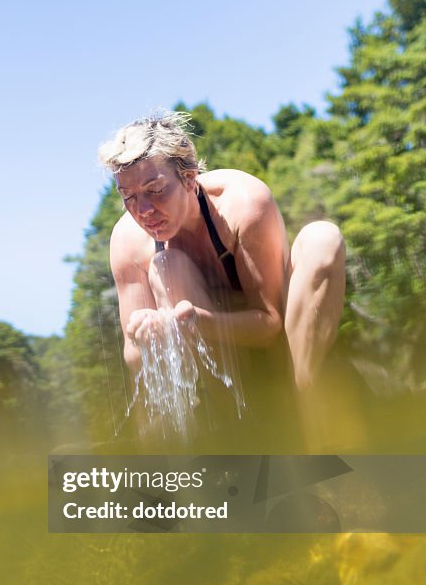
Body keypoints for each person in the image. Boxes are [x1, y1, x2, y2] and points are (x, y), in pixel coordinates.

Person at [98, 110, 347, 404]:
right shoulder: (128, 240)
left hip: (284, 348)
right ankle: (233, 426)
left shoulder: (241, 203)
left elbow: (270, 324)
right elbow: (134, 358)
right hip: (223, 376)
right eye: (128, 196)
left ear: (189, 178)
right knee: (167, 265)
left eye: (156, 190)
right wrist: (145, 335)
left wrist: (198, 322)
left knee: (322, 238)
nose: (144, 210)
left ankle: (304, 407)